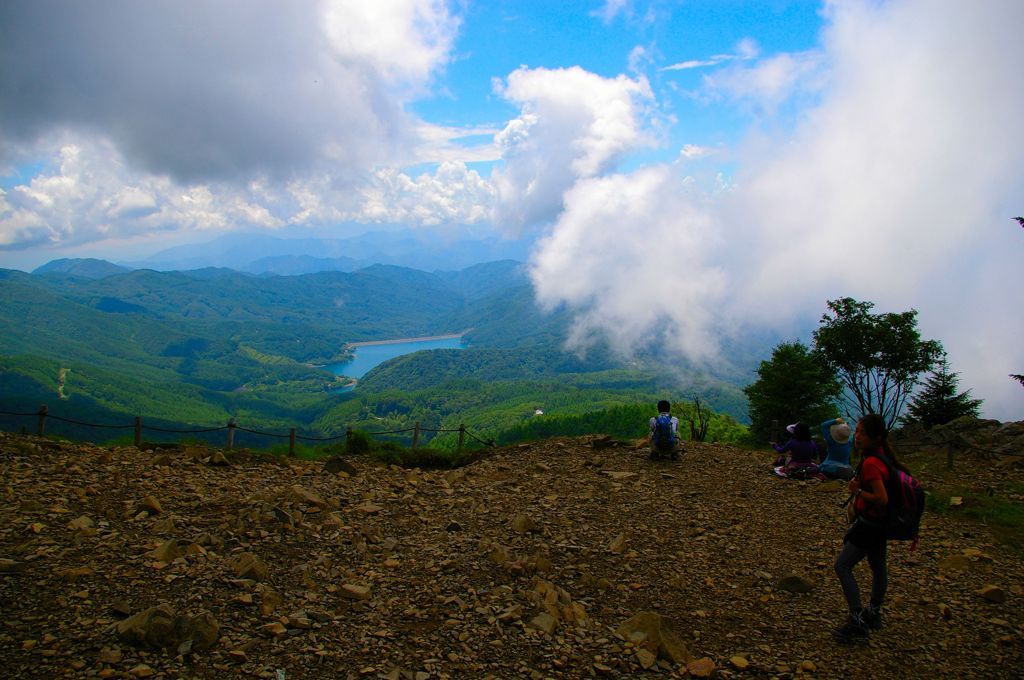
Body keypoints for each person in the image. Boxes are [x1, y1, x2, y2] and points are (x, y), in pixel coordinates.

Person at [832, 413, 904, 641]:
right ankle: (873, 612)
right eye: (857, 431)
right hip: (881, 524)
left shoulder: (872, 462)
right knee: (877, 566)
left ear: (876, 437)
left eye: (862, 432)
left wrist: (858, 491)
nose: (857, 436)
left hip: (870, 524)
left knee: (842, 566)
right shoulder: (883, 456)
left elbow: (881, 498)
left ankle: (856, 620)